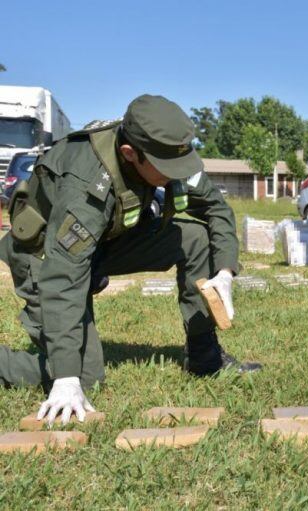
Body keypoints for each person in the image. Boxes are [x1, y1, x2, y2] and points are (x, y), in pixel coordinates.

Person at [0, 94, 260, 425]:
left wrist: (224, 272)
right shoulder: (87, 182)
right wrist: (66, 377)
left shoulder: (162, 153)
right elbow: (63, 276)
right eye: (167, 170)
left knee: (194, 238)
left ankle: (204, 356)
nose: (174, 176)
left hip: (101, 245)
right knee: (84, 376)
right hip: (45, 257)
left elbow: (215, 207)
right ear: (129, 153)